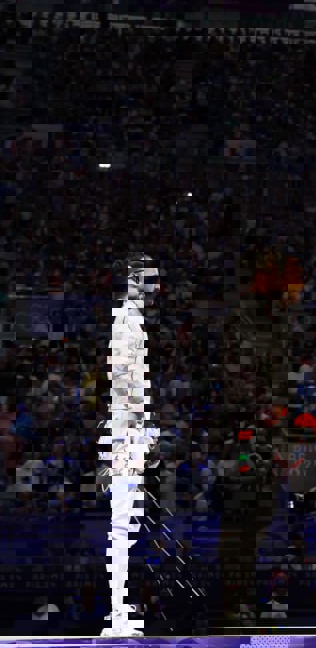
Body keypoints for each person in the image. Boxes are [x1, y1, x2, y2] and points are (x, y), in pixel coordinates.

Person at [100, 254, 162, 637]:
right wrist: (139, 428)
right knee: (121, 526)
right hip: (126, 432)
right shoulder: (126, 319)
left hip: (129, 431)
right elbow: (123, 379)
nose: (156, 287)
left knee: (128, 523)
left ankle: (119, 610)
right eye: (149, 279)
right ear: (134, 279)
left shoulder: (132, 320)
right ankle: (117, 615)